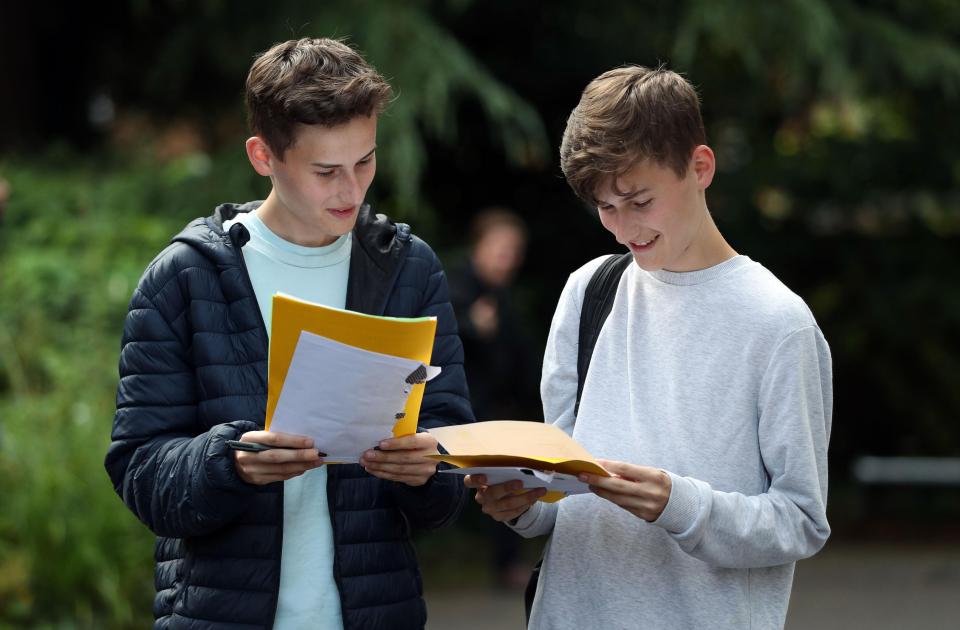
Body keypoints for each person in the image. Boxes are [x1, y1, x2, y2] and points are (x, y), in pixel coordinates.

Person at [104, 37, 473, 629]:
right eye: (325, 171)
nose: (352, 191)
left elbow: (452, 461)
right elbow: (139, 472)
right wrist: (230, 462)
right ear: (262, 156)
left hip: (376, 613)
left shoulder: (408, 267)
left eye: (366, 161)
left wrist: (428, 467)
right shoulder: (185, 277)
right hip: (219, 615)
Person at [466, 65, 833, 629]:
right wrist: (520, 504)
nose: (621, 228)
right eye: (605, 208)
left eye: (638, 201)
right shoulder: (590, 290)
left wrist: (678, 505)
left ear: (700, 167)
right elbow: (560, 498)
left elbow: (801, 521)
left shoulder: (780, 324)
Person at [447, 208, 540, 589]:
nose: (508, 259)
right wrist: (472, 325)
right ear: (479, 247)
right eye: (501, 250)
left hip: (494, 410)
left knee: (508, 476)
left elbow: (521, 358)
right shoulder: (451, 283)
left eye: (514, 252)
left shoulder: (501, 295)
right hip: (453, 408)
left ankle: (507, 565)